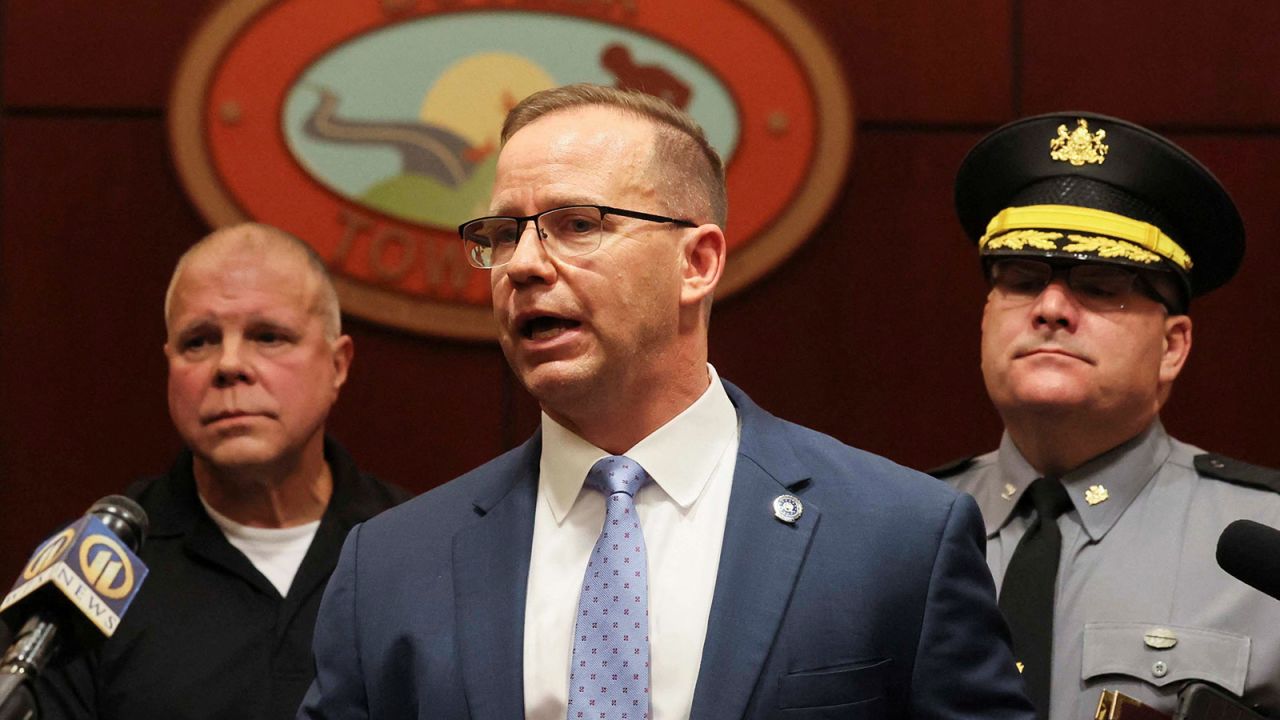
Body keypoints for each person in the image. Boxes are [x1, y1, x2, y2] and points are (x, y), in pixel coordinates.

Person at [299, 84, 1033, 720]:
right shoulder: (391, 568)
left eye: (576, 224)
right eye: (502, 233)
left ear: (698, 262)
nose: (522, 264)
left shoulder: (896, 540)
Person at [934, 112, 1280, 720]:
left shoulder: (1268, 540)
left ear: (1173, 346)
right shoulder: (894, 529)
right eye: (1020, 278)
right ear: (985, 316)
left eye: (1099, 285)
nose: (1050, 308)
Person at [34, 223, 409, 720]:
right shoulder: (95, 566)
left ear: (338, 365)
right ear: (169, 365)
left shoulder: (413, 548)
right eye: (199, 341)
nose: (229, 364)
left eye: (268, 336)